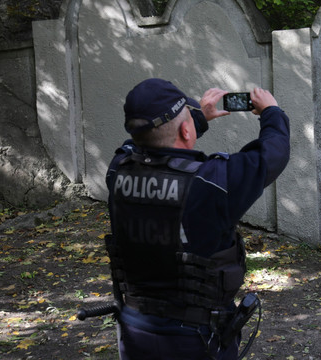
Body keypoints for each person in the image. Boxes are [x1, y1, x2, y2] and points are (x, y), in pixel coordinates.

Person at [104, 78, 290, 359]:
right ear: (185, 129)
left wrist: (196, 120)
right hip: (196, 341)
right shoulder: (211, 182)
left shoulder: (118, 170)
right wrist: (272, 112)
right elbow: (272, 153)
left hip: (134, 332)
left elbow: (146, 144)